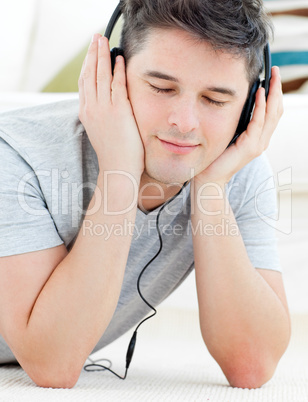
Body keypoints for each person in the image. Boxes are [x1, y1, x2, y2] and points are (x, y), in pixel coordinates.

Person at [0, 0, 290, 389]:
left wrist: (210, 187)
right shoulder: (13, 155)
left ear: (252, 106)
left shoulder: (235, 166)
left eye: (215, 100)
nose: (184, 124)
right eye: (161, 87)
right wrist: (119, 169)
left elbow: (252, 365)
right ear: (109, 74)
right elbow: (53, 363)